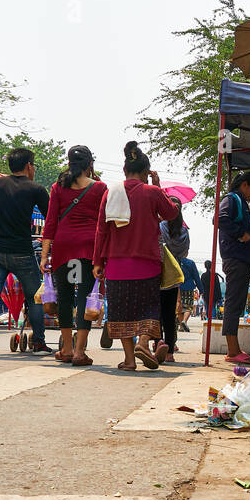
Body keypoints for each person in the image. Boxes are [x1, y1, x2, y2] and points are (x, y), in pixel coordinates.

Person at [93, 142, 179, 371]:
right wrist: (158, 186)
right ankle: (143, 342)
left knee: (122, 313)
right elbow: (171, 212)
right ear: (145, 172)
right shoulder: (152, 192)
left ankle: (130, 360)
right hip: (147, 264)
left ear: (124, 171)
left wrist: (97, 262)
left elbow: (101, 229)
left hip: (117, 265)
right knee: (148, 309)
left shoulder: (111, 192)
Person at [0, 148, 52, 359]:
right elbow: (50, 217)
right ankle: (38, 343)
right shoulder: (36, 189)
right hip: (22, 252)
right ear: (29, 165)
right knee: (34, 299)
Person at [41, 145, 107, 366]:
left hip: (64, 247)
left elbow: (49, 224)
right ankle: (80, 352)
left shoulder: (58, 187)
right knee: (84, 298)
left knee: (66, 298)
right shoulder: (100, 188)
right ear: (90, 164)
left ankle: (67, 349)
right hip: (88, 249)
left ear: (69, 163)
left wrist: (44, 257)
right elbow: (104, 224)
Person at [217, 170, 250, 363]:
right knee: (233, 303)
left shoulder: (241, 202)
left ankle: (234, 349)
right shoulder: (232, 198)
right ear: (244, 185)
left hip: (241, 258)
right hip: (235, 257)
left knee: (237, 303)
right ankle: (233, 351)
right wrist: (240, 234)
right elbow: (220, 219)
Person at [156, 198, 191, 359]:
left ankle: (157, 343)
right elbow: (184, 254)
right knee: (170, 314)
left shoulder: (161, 227)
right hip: (174, 274)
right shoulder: (184, 232)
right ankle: (169, 352)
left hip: (157, 272)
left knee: (156, 312)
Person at [178, 256, 199, 332]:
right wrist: (201, 289)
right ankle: (184, 321)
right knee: (188, 307)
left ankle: (181, 326)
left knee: (179, 306)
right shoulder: (191, 263)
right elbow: (196, 276)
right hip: (189, 287)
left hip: (178, 287)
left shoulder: (176, 261)